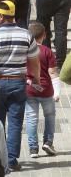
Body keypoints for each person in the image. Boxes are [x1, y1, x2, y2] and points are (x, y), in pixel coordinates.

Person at [0, 0, 40, 172]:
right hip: (18, 83)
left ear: (1, 16)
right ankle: (11, 160)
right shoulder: (27, 35)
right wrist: (37, 80)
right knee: (16, 123)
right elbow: (34, 62)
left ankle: (0, 160)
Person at [25, 21, 60, 159]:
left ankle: (33, 148)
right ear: (44, 35)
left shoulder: (25, 50)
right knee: (50, 116)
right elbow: (53, 73)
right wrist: (57, 92)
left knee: (31, 118)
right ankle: (48, 142)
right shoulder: (47, 51)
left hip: (29, 89)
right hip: (46, 90)